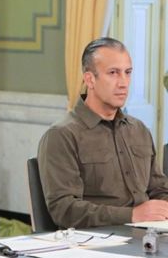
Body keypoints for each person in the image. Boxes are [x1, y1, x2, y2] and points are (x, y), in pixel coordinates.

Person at [38, 37, 168, 228]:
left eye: (127, 72)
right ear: (90, 79)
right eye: (113, 73)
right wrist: (131, 215)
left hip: (147, 235)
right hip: (97, 242)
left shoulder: (139, 130)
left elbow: (159, 190)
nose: (123, 83)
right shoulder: (62, 135)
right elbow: (64, 210)